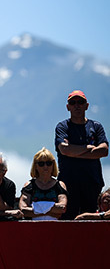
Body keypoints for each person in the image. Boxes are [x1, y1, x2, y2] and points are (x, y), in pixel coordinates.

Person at [55, 90, 108, 219]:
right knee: (67, 221)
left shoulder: (96, 126)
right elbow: (64, 150)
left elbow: (104, 151)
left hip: (92, 182)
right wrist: (89, 149)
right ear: (68, 107)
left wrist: (74, 152)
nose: (77, 105)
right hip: (68, 183)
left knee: (89, 221)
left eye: (80, 102)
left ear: (86, 105)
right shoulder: (62, 127)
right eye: (73, 103)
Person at [18, 148, 67, 220]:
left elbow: (62, 208)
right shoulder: (29, 185)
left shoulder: (60, 185)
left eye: (49, 163)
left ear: (53, 165)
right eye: (41, 164)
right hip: (33, 228)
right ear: (36, 166)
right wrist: (51, 211)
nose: (45, 167)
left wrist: (36, 209)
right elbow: (24, 210)